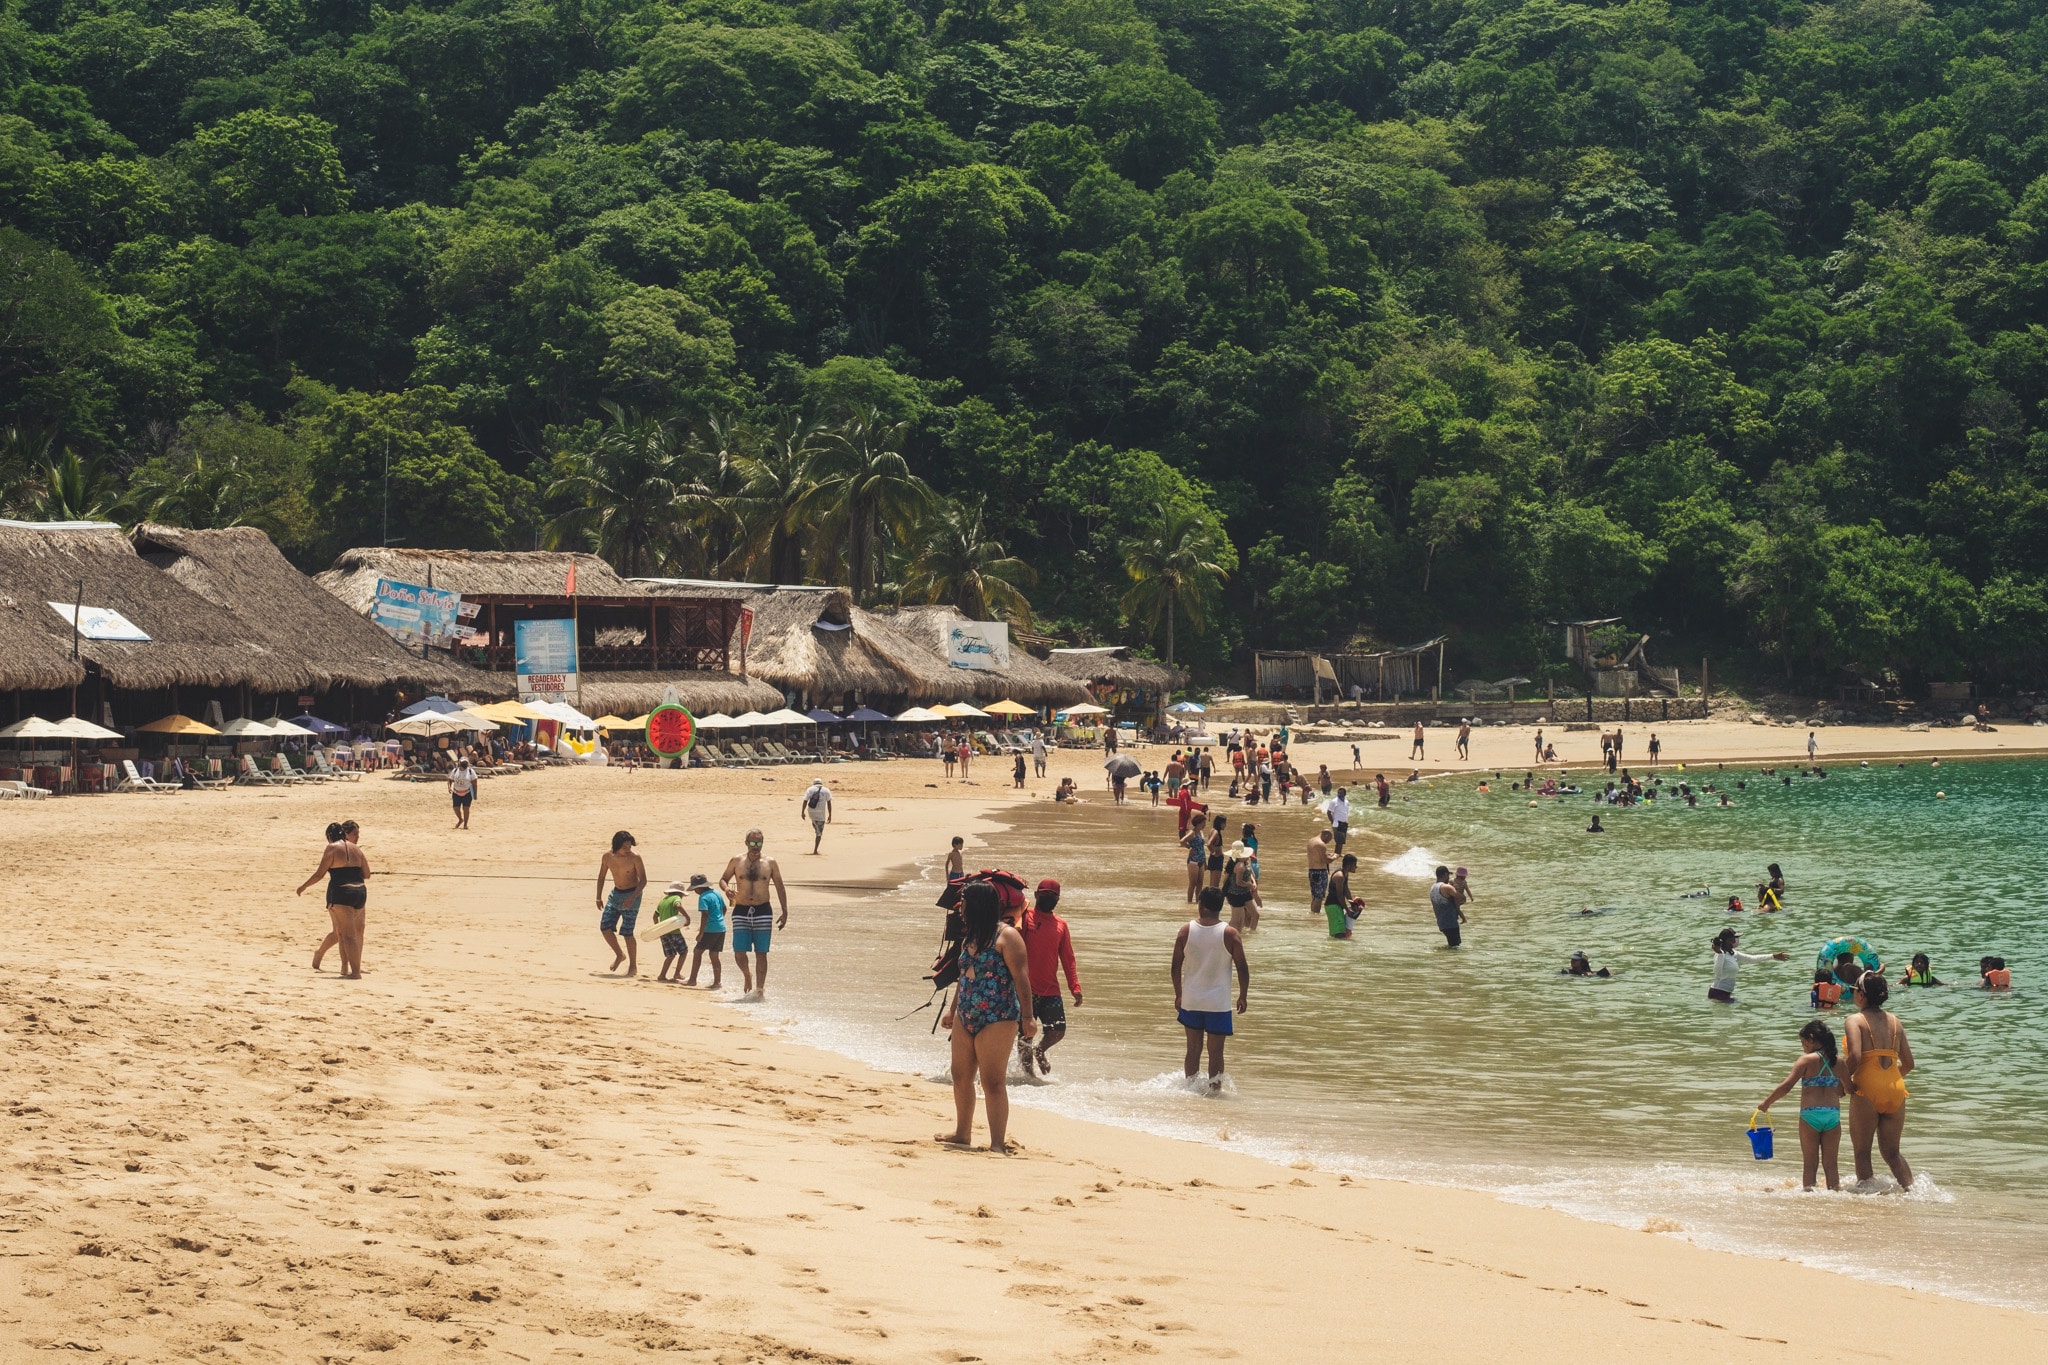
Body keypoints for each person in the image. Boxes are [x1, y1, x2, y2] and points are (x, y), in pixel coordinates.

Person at [937, 881, 1035, 1152]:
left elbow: (1022, 979)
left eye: (964, 904)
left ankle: (997, 1143)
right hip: (966, 1013)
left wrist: (1028, 1017)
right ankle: (962, 1133)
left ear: (977, 905)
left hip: (998, 1016)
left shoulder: (1008, 937)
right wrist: (953, 1010)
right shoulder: (971, 936)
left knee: (992, 1081)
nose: (960, 909)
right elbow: (964, 976)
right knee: (960, 1076)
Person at [1172, 888, 1250, 1092]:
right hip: (1218, 1003)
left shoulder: (1185, 931)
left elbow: (1175, 966)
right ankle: (1214, 1093)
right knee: (1216, 1052)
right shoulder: (1230, 934)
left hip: (1191, 1000)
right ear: (1221, 906)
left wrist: (1179, 994)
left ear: (1201, 904)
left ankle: (1189, 1089)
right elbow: (1242, 968)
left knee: (1192, 1049)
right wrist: (1243, 995)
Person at [1756, 1020, 1844, 1191]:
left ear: (1811, 1038)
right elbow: (1847, 1089)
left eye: (1803, 1043)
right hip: (1833, 1115)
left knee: (1810, 1164)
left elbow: (1786, 1086)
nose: (1803, 1047)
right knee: (1831, 1164)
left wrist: (1767, 1102)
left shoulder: (1806, 1060)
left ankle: (1809, 1197)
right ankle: (1835, 1195)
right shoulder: (1839, 1062)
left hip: (1810, 1115)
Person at [1844, 974, 1914, 1189]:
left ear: (1861, 995)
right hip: (1895, 1089)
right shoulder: (1895, 1021)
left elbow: (1855, 1057)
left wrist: (1840, 1082)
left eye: (1855, 990)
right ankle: (1913, 1191)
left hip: (1866, 1089)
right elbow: (1909, 1064)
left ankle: (1867, 1196)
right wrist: (1887, 1080)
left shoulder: (1855, 1020)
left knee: (1862, 1151)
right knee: (1892, 1153)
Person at [1017, 879, 1081, 1077]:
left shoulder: (1061, 925)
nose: (1049, 899)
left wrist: (1075, 987)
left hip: (1050, 989)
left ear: (1058, 899)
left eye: (1053, 896)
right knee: (1025, 1036)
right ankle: (1029, 1078)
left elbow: (1068, 958)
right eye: (1045, 895)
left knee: (1058, 1030)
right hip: (1025, 989)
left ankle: (1040, 1050)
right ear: (1036, 895)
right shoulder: (1025, 917)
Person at [719, 828, 789, 1002]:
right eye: (752, 843)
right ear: (746, 843)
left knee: (761, 952)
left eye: (759, 843)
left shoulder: (770, 862)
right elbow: (723, 879)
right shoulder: (737, 860)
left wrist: (785, 911)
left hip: (763, 910)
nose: (755, 846)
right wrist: (726, 890)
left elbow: (780, 886)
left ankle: (759, 991)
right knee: (739, 951)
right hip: (741, 909)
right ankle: (747, 975)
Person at [296, 820, 369, 979]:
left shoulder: (332, 848)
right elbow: (367, 874)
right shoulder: (356, 849)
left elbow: (319, 874)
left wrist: (303, 886)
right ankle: (346, 968)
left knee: (346, 935)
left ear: (329, 837)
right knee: (348, 933)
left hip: (342, 893)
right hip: (360, 893)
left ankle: (355, 972)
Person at [595, 830, 647, 977]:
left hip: (633, 894)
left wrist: (632, 898)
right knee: (605, 927)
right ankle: (619, 954)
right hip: (616, 894)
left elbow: (643, 880)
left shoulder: (635, 858)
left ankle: (633, 966)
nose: (628, 850)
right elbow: (601, 876)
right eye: (625, 847)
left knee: (627, 933)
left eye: (629, 846)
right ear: (616, 846)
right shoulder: (607, 857)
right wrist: (598, 897)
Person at [1708, 926, 1786, 1002]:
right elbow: (1717, 973)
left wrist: (1772, 956)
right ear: (1728, 940)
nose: (1736, 940)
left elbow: (1752, 959)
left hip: (1726, 993)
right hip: (1717, 992)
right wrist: (1719, 954)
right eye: (1735, 938)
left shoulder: (1733, 953)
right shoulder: (1720, 954)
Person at [684, 873, 728, 989]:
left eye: (695, 889)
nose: (695, 891)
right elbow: (724, 908)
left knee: (697, 952)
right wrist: (719, 920)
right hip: (721, 928)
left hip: (710, 929)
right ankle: (717, 982)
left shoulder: (703, 897)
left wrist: (701, 933)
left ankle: (692, 980)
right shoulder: (716, 893)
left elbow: (704, 914)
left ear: (699, 888)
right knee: (714, 955)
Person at [652, 880, 693, 983]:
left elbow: (655, 916)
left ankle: (662, 975)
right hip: (674, 931)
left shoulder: (663, 900)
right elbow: (678, 905)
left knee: (670, 955)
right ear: (679, 893)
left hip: (663, 932)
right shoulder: (676, 898)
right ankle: (677, 974)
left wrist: (658, 928)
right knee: (684, 952)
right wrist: (687, 917)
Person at [1221, 840, 1261, 931]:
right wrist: (1249, 885)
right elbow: (1238, 882)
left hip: (1245, 893)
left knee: (1255, 915)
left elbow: (1250, 873)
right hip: (1235, 894)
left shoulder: (1246, 862)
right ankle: (1228, 935)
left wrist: (1253, 882)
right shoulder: (1239, 866)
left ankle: (1250, 935)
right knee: (1236, 922)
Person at [1429, 865, 1468, 948]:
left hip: (1441, 923)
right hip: (1451, 923)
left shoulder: (1433, 888)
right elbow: (1462, 898)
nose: (1449, 878)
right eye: (1448, 875)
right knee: (1455, 948)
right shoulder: (1446, 887)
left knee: (1451, 946)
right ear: (1445, 874)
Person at [1323, 853, 1359, 938]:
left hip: (1337, 905)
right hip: (1332, 906)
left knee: (1341, 932)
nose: (1356, 867)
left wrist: (1353, 904)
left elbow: (1346, 890)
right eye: (1354, 865)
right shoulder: (1340, 876)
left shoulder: (1345, 874)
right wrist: (1347, 910)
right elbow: (1340, 896)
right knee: (1339, 934)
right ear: (1349, 865)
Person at [1181, 814, 1209, 903]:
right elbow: (1182, 841)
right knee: (1193, 883)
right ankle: (1189, 902)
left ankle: (1198, 902)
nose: (1204, 825)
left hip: (1201, 860)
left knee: (1200, 883)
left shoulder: (1201, 832)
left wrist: (1205, 862)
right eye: (1203, 823)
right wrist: (1189, 848)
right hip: (1193, 861)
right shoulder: (1192, 833)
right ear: (1198, 823)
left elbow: (1202, 848)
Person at [800, 777, 833, 853]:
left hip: (811, 813)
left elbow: (805, 801)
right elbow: (829, 803)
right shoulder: (826, 790)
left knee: (815, 825)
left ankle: (817, 830)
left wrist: (802, 812)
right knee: (819, 833)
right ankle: (815, 850)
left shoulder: (810, 789)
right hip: (821, 814)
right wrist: (830, 815)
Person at [1306, 828, 1333, 916]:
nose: (1327, 842)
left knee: (1315, 896)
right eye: (1328, 840)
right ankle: (1316, 916)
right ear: (1326, 835)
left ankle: (1313, 914)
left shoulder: (1311, 841)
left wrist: (1328, 855)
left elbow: (1318, 856)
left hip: (1312, 871)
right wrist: (1335, 856)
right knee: (1319, 897)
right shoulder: (1321, 844)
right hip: (1320, 872)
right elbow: (1326, 860)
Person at [448, 754, 477, 829]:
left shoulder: (470, 771)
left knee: (466, 808)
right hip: (456, 792)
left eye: (465, 763)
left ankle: (465, 824)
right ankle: (460, 819)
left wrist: (475, 794)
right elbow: (450, 779)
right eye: (463, 762)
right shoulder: (455, 771)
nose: (464, 764)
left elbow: (474, 783)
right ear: (460, 763)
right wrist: (449, 787)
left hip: (467, 792)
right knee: (456, 808)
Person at [1322, 786, 1351, 852]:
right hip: (1337, 823)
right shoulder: (1334, 801)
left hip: (1344, 823)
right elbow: (1329, 812)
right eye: (1339, 793)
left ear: (1345, 794)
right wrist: (1332, 821)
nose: (1340, 794)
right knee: (1338, 841)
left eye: (1341, 793)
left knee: (1342, 841)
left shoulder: (1346, 802)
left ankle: (1339, 853)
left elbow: (1345, 812)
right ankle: (1337, 853)